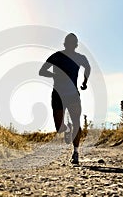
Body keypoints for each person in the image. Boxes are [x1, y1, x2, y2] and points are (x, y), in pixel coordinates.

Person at [39, 33, 90, 164]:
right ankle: (66, 129)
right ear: (65, 44)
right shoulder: (57, 56)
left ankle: (76, 152)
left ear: (76, 45)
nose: (71, 45)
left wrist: (85, 81)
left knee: (76, 122)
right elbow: (42, 71)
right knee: (59, 127)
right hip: (58, 94)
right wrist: (55, 74)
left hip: (73, 94)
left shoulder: (80, 58)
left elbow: (87, 67)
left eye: (73, 43)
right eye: (69, 43)